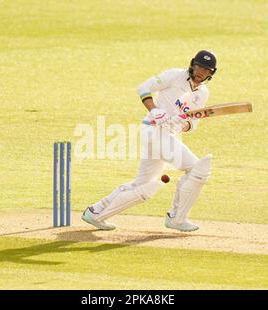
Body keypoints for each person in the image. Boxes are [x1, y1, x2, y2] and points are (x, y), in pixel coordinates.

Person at [82, 50, 217, 232]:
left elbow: (193, 123)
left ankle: (96, 212)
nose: (201, 72)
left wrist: (182, 124)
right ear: (193, 64)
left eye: (206, 70)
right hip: (154, 130)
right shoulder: (174, 75)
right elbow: (143, 88)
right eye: (199, 66)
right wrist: (155, 110)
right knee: (197, 169)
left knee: (143, 185)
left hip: (169, 134)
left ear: (211, 73)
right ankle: (177, 218)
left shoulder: (202, 93)